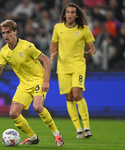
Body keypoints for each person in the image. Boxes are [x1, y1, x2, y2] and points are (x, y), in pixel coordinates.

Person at [0, 20, 64, 146]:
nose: (6, 35)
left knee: (38, 107)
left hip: (38, 80)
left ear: (15, 31)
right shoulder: (4, 52)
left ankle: (57, 135)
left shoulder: (27, 46)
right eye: (3, 33)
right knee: (13, 113)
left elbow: (46, 61)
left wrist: (46, 82)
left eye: (8, 32)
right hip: (24, 84)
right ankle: (33, 138)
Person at [50, 3, 96, 138]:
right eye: (67, 12)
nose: (70, 14)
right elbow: (53, 46)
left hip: (78, 66)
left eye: (72, 12)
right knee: (69, 97)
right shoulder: (58, 28)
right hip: (63, 67)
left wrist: (91, 52)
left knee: (77, 95)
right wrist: (53, 53)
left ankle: (87, 127)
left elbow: (92, 47)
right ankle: (78, 130)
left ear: (76, 15)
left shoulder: (84, 29)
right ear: (64, 14)